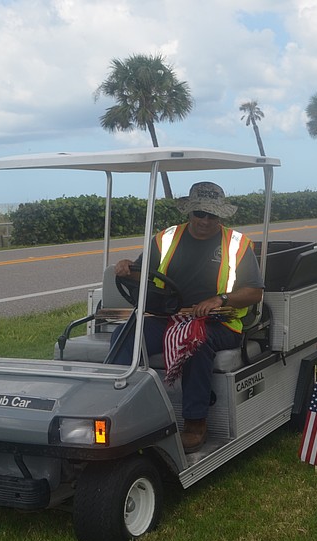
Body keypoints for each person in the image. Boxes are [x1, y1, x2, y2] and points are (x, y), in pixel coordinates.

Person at [111, 181, 264, 453]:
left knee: (195, 342)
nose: (205, 220)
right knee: (127, 335)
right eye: (199, 214)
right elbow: (143, 273)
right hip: (169, 316)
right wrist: (127, 269)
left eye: (212, 215)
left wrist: (220, 299)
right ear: (189, 212)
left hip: (221, 322)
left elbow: (254, 293)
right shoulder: (166, 239)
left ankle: (195, 423)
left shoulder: (237, 245)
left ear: (221, 216)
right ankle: (116, 407)